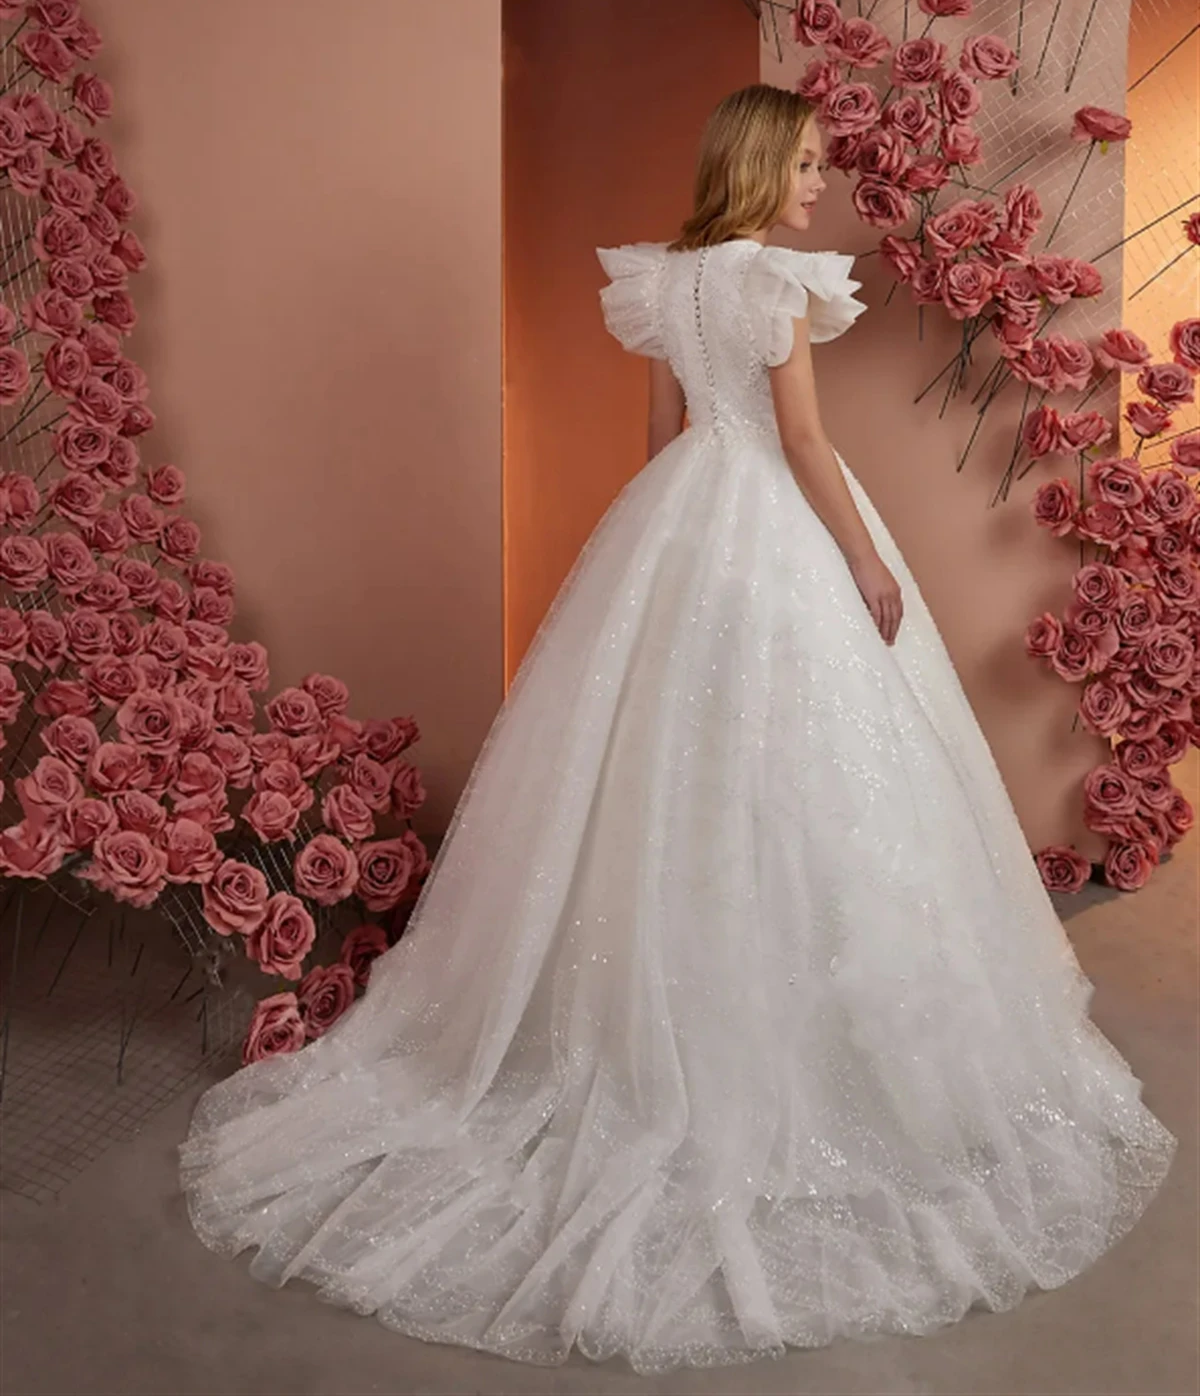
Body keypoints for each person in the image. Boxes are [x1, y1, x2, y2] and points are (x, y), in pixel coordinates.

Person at [177, 84, 1176, 1377]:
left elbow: (659, 441)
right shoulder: (769, 282)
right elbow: (806, 443)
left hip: (682, 518)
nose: (820, 185)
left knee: (656, 770)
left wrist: (646, 567)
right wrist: (866, 560)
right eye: (807, 163)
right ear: (760, 165)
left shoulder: (669, 281)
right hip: (767, 524)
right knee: (798, 772)